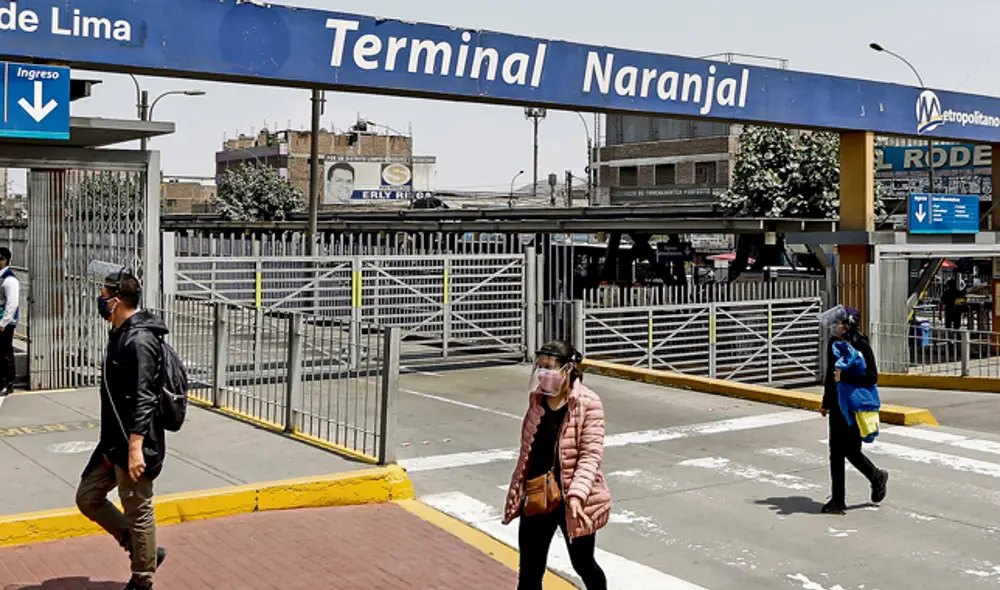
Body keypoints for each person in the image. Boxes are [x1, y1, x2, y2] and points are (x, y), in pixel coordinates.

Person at [75, 264, 168, 589]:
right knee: (88, 497)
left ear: (117, 300)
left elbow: (144, 398)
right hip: (113, 440)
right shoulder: (121, 333)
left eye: (103, 294)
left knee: (137, 508)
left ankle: (143, 577)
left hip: (135, 442)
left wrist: (135, 448)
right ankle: (143, 549)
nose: (100, 299)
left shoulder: (139, 340)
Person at [503, 341, 610, 590]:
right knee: (529, 572)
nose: (543, 373)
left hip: (573, 500)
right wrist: (518, 490)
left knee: (583, 563)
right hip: (538, 493)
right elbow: (528, 452)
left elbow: (590, 455)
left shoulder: (588, 403)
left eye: (549, 367)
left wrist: (576, 496)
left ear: (568, 368)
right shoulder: (537, 399)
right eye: (540, 366)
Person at [820, 306, 889, 515]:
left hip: (853, 406)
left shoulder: (861, 344)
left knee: (851, 451)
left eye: (839, 323)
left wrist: (846, 377)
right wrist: (825, 402)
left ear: (848, 325)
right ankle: (838, 500)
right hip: (837, 405)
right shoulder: (833, 343)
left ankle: (876, 476)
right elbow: (830, 376)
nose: (835, 327)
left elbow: (871, 376)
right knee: (835, 452)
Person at [0, 247, 19, 396]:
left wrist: (3, 323)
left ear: (4, 260)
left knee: (5, 352)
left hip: (5, 322)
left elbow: (12, 304)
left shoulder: (9, 280)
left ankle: (8, 383)